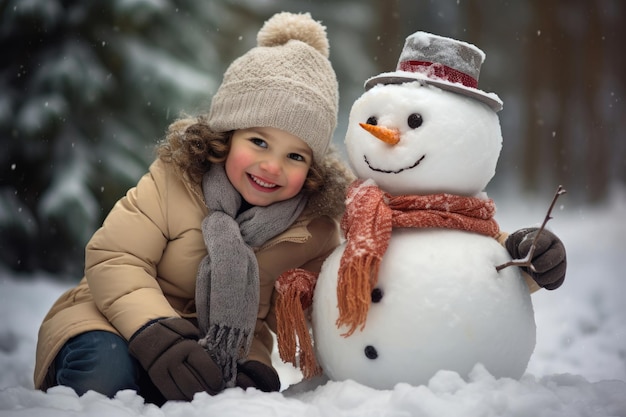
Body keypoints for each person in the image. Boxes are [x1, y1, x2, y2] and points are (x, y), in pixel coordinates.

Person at [34, 12, 353, 405]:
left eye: (296, 156)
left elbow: (310, 317)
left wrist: (252, 364)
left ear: (313, 167)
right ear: (227, 136)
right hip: (111, 320)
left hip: (211, 355)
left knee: (233, 402)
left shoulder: (311, 230)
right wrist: (156, 332)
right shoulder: (176, 182)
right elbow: (115, 257)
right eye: (258, 141)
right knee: (107, 374)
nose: (273, 166)